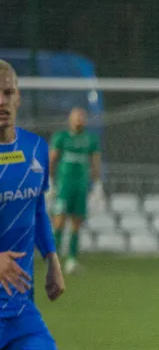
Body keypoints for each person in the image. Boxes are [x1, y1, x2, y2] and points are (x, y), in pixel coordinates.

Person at [0, 60, 68, 350]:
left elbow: (37, 208)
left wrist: (52, 259)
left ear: (19, 97)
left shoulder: (35, 149)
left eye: (7, 92)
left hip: (17, 306)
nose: (1, 101)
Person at [48, 106, 101, 275]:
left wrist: (97, 185)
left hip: (81, 187)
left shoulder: (90, 140)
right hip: (64, 186)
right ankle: (53, 261)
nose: (78, 120)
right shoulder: (61, 137)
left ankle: (71, 260)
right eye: (75, 117)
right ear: (70, 119)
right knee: (59, 222)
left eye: (81, 117)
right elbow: (52, 159)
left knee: (76, 223)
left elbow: (95, 163)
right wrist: (49, 181)